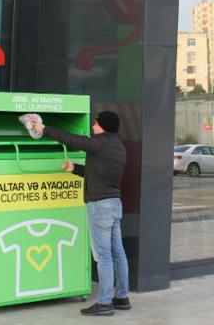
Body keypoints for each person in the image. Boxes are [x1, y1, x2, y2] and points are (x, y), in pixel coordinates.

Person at [33, 111, 130, 316]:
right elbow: (98, 173)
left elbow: (70, 139)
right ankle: (122, 297)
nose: (93, 126)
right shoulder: (118, 147)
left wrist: (43, 129)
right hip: (114, 205)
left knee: (103, 256)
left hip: (100, 207)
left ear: (101, 126)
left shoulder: (99, 143)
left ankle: (104, 303)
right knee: (117, 253)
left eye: (95, 123)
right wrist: (74, 168)